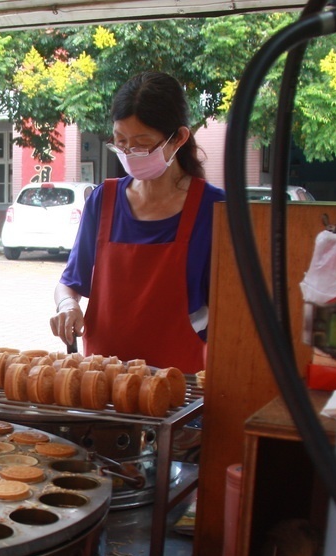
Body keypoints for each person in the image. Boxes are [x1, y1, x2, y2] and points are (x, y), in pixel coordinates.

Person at [50, 71, 226, 373]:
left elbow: (231, 311)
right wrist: (67, 306)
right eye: (121, 143)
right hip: (101, 380)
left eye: (143, 144)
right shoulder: (103, 200)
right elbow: (69, 283)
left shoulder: (214, 209)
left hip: (180, 386)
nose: (131, 154)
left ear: (179, 138)